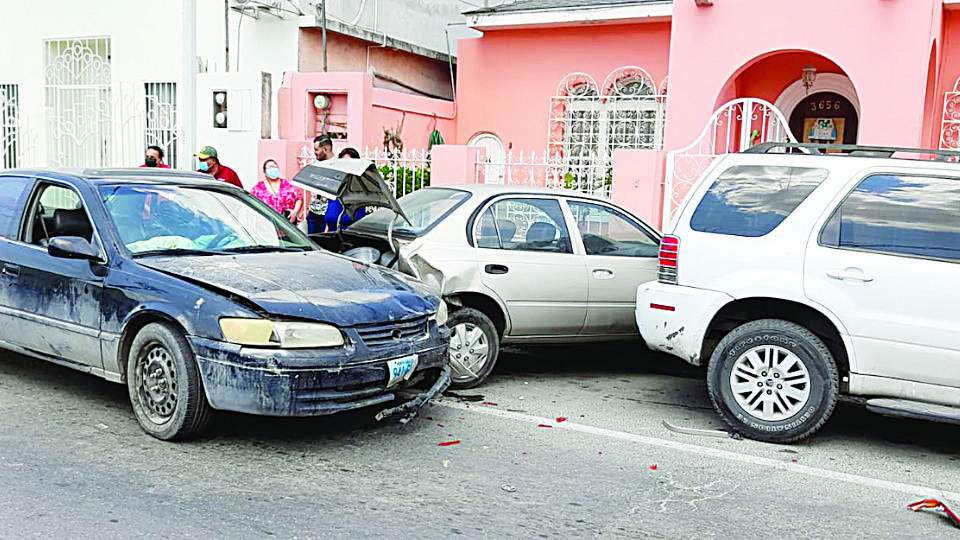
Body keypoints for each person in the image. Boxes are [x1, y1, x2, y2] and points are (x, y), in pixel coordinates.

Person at [324, 147, 366, 231]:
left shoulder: (359, 188)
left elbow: (356, 218)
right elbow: (330, 212)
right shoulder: (335, 186)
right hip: (332, 234)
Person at [250, 159, 302, 224]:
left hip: (286, 223)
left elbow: (299, 198)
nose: (273, 169)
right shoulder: (258, 189)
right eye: (270, 167)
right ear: (264, 171)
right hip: (266, 224)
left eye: (275, 167)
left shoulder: (286, 185)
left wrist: (295, 212)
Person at [306, 134, 334, 233]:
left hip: (327, 212)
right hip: (314, 211)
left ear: (325, 149)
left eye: (316, 150)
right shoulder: (316, 164)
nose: (315, 153)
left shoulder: (336, 165)